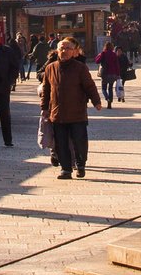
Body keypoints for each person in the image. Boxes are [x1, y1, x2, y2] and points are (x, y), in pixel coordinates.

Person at [40, 37, 104, 179]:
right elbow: (46, 89)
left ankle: (80, 165)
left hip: (77, 113)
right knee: (61, 143)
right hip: (57, 113)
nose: (64, 51)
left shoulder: (80, 68)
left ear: (74, 52)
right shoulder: (51, 68)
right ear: (57, 50)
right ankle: (66, 169)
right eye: (61, 48)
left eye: (67, 48)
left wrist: (96, 101)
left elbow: (89, 86)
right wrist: (44, 108)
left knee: (79, 141)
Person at [0, 27, 24, 147]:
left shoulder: (7, 51)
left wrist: (10, 81)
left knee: (5, 114)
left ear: (0, 38)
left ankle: (8, 140)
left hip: (3, 87)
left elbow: (14, 67)